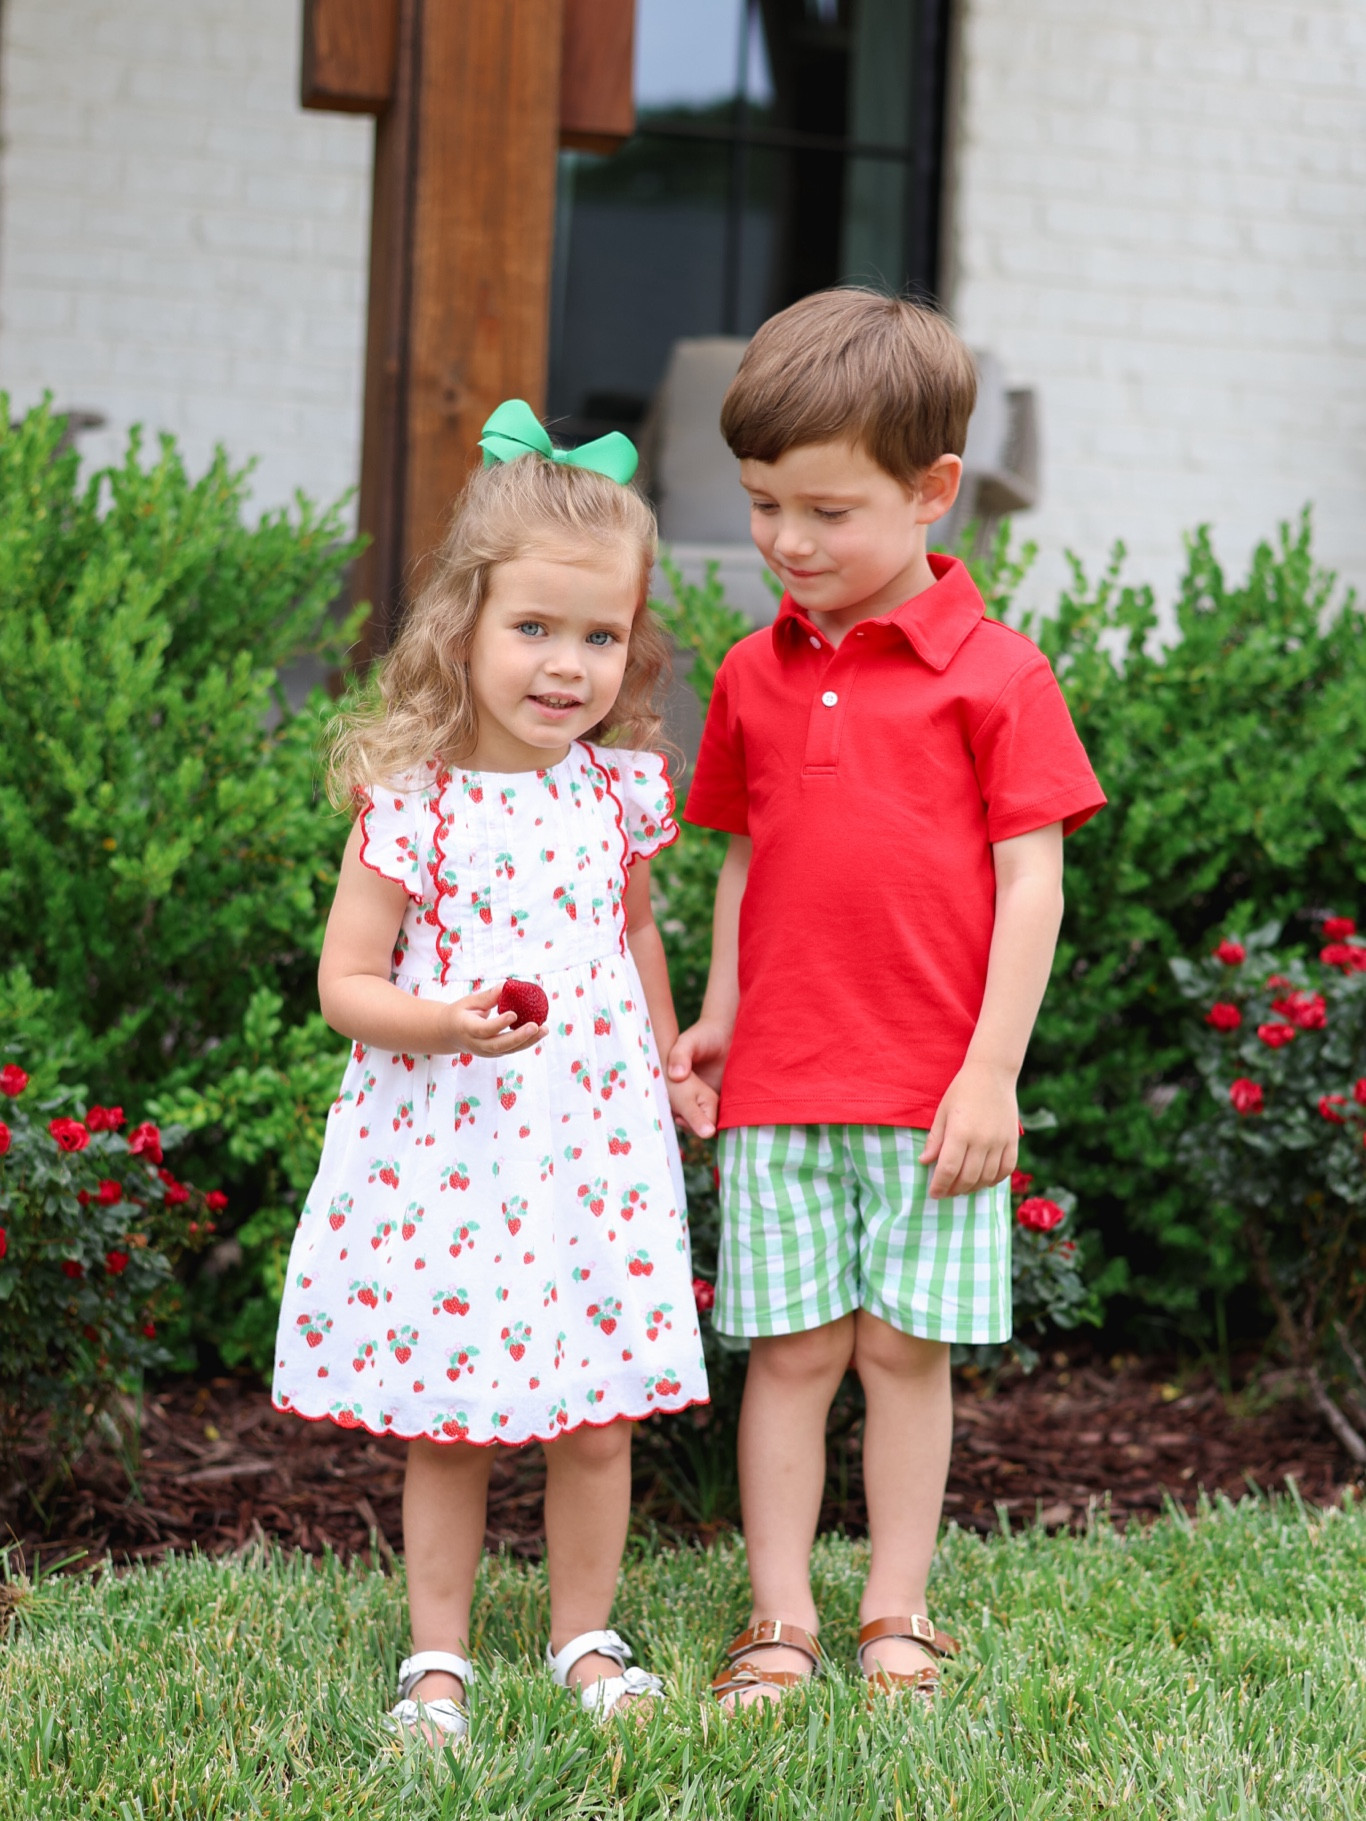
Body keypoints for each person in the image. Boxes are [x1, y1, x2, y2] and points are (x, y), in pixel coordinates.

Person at [669, 289, 1106, 1708]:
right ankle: (780, 1619)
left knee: (904, 1355)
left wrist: (990, 1072)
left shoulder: (995, 674)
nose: (787, 544)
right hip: (783, 1080)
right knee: (790, 1357)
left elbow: (1030, 887)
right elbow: (743, 863)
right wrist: (721, 1013)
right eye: (759, 507)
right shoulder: (750, 673)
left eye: (825, 511)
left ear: (931, 491)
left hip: (933, 1093)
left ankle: (895, 1614)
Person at [272, 401, 716, 1744]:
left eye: (596, 635)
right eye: (533, 629)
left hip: (591, 1142)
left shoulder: (615, 791)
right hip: (452, 1147)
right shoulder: (413, 801)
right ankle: (438, 1654)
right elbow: (345, 982)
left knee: (597, 1411)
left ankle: (584, 1629)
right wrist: (438, 1019)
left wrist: (668, 1059)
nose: (564, 665)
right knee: (453, 1414)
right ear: (460, 623)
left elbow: (631, 929)